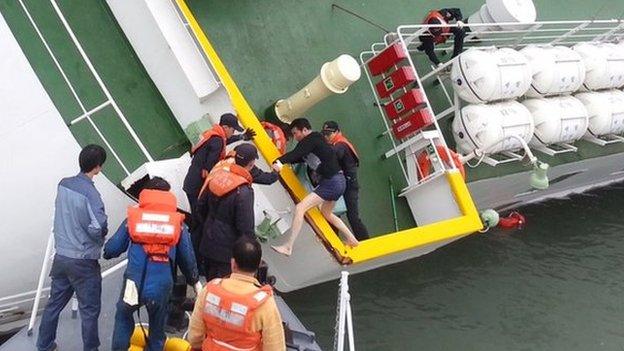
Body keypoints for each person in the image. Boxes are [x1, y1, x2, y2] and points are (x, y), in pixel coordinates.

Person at [103, 177, 199, 351]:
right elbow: (187, 258)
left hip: (133, 282)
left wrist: (107, 251)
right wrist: (194, 280)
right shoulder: (177, 223)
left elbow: (112, 249)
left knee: (123, 318)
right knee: (157, 329)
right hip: (161, 285)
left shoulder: (133, 218)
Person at [37, 144, 108, 351]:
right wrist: (100, 236)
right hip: (83, 262)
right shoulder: (91, 194)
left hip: (62, 258)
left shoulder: (63, 184)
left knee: (53, 305)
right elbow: (98, 226)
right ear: (97, 168)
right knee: (89, 311)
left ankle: (44, 345)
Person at [270, 118, 359, 257]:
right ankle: (352, 239)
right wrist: (285, 161)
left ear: (304, 130)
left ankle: (288, 246)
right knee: (327, 213)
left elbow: (296, 153)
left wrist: (278, 161)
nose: (295, 137)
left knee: (300, 208)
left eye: (296, 133)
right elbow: (297, 157)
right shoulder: (316, 142)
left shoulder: (311, 139)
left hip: (332, 182)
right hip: (340, 182)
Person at [187, 237, 285, 351]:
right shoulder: (264, 303)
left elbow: (194, 336)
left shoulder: (209, 290)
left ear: (233, 263)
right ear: (259, 264)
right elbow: (275, 347)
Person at [195, 143, 259, 280]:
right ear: (252, 164)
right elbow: (245, 227)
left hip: (207, 242)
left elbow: (201, 205)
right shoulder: (243, 191)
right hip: (226, 252)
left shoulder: (218, 176)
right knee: (222, 287)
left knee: (210, 280)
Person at [183, 113, 256, 214]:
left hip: (191, 180)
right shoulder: (217, 141)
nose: (233, 132)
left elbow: (224, 141)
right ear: (225, 127)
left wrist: (241, 137)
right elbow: (211, 166)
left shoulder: (213, 134)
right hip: (197, 186)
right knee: (198, 214)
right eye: (233, 130)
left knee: (196, 211)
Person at [322, 121, 370, 240]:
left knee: (353, 216)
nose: (326, 136)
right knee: (332, 211)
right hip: (341, 182)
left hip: (349, 185)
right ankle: (333, 237)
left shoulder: (340, 145)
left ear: (338, 132)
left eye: (329, 133)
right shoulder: (337, 144)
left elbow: (334, 155)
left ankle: (366, 241)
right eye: (324, 133)